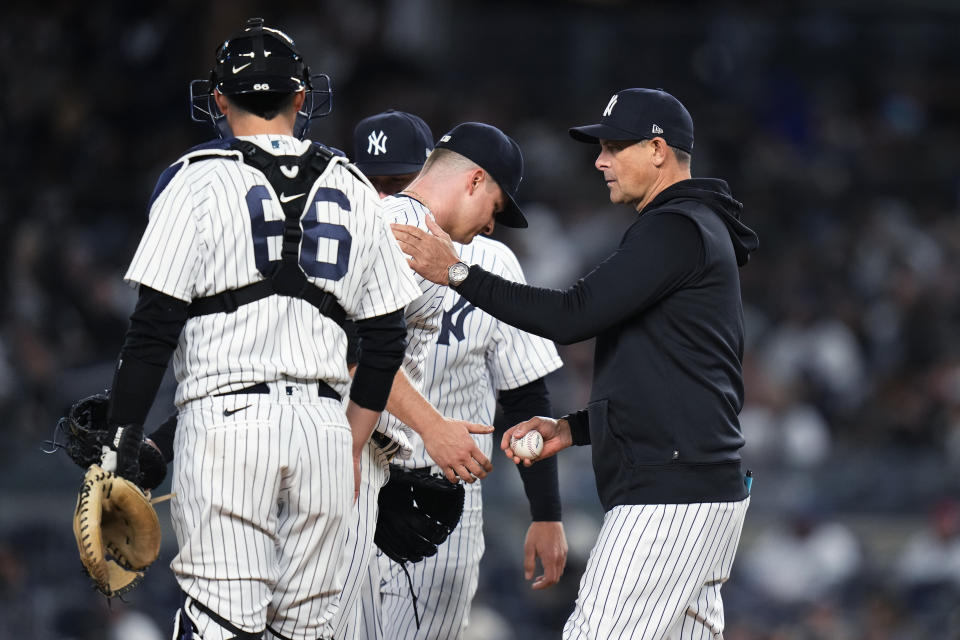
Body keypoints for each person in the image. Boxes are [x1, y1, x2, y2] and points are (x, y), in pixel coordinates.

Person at [392, 87, 759, 639]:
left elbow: (571, 316)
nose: (600, 161)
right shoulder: (691, 227)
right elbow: (666, 375)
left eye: (614, 147)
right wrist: (574, 427)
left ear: (658, 150)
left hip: (671, 492)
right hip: (698, 486)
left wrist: (459, 273)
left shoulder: (677, 227)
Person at [99, 19, 423, 640]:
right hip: (326, 431)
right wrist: (351, 443)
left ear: (218, 100)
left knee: (221, 624)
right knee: (306, 631)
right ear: (303, 98)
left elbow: (152, 332)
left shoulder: (193, 179)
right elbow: (385, 341)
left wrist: (120, 450)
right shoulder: (354, 185)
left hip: (225, 429)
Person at [338, 111, 568, 640]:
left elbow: (526, 391)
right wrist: (429, 426)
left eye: (395, 180)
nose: (385, 196)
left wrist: (546, 511)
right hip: (355, 471)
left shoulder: (481, 258)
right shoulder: (386, 228)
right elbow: (352, 353)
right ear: (472, 180)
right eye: (373, 182)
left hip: (431, 483)